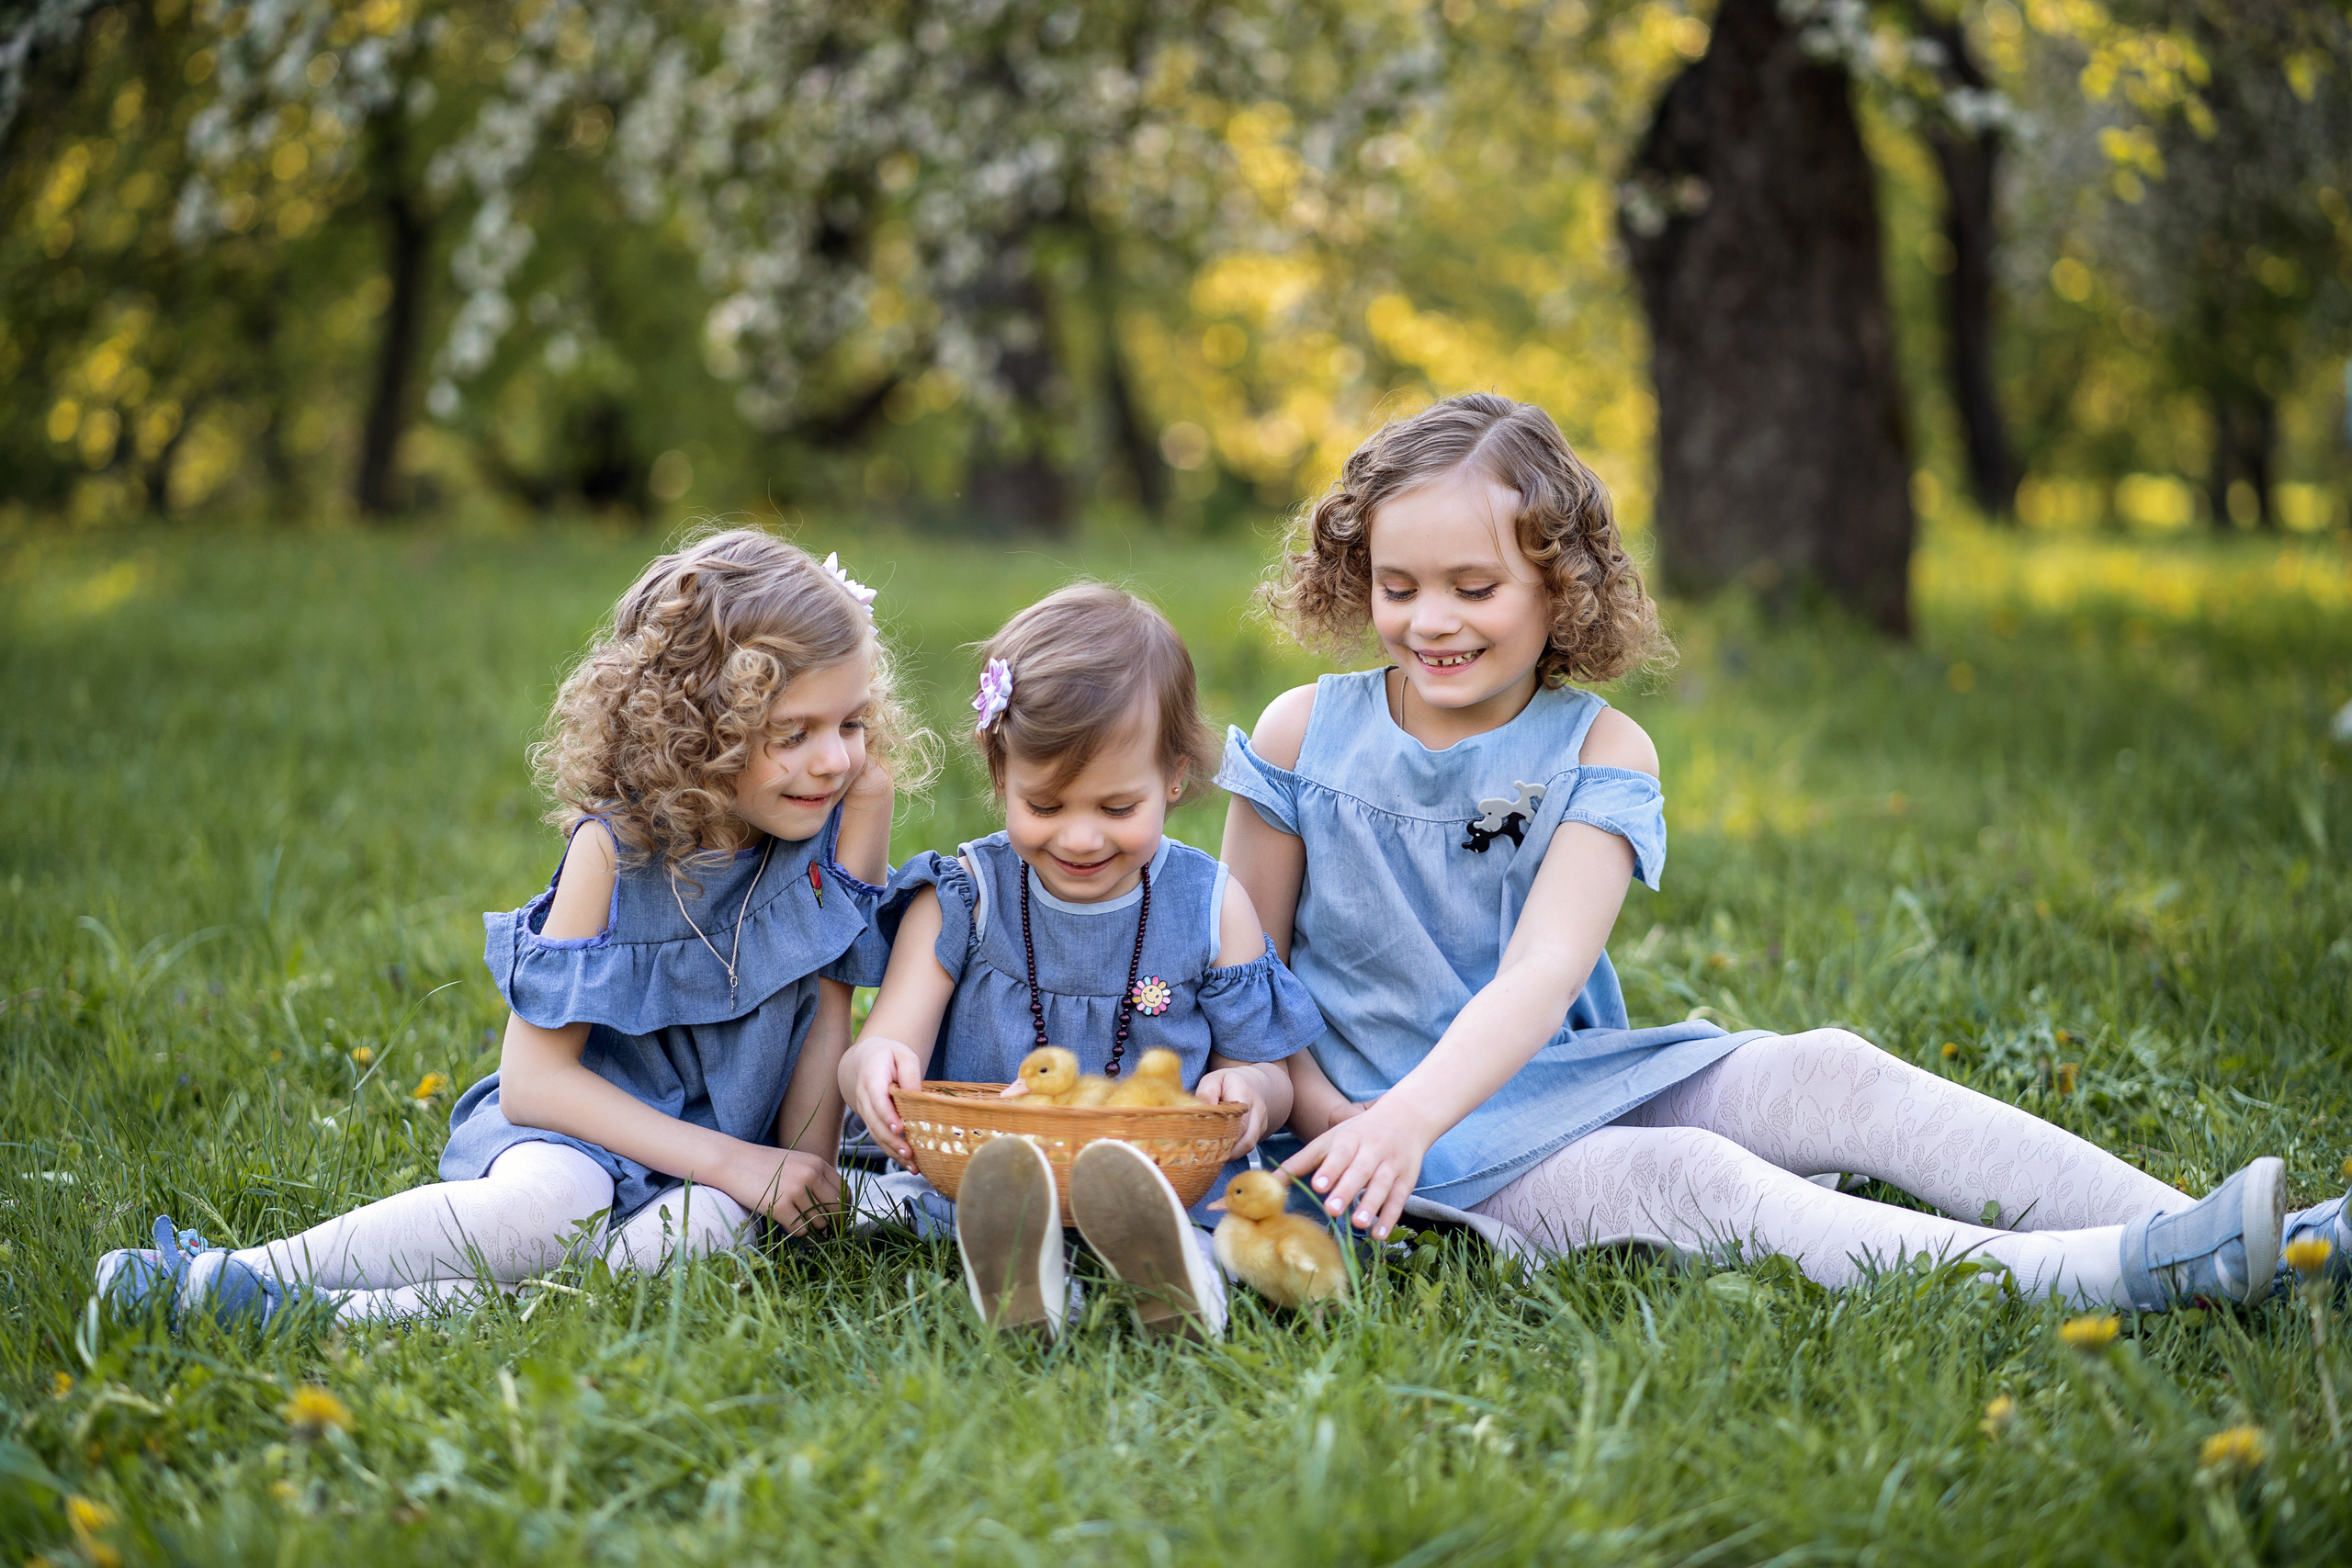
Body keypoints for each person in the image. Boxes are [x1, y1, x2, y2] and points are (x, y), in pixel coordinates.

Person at [1216, 391, 2303, 1311]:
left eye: (1474, 587)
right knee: (1689, 1175)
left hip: (1549, 1076)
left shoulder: (1601, 749)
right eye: (1396, 587)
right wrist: (1331, 1108)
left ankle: (2248, 1237)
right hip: (1385, 1142)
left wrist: (1417, 1107)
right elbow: (1242, 964)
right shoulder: (1302, 733)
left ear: (1561, 583)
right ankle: (2102, 1275)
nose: (1429, 622)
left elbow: (1544, 975)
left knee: (1828, 1067)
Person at [98, 530, 916, 1325]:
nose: (836, 761)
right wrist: (734, 1160)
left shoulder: (834, 825)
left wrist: (793, 1169)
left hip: (724, 1172)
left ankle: (326, 1318)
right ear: (700, 729)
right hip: (587, 1136)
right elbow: (536, 1082)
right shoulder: (614, 849)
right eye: (794, 734)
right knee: (546, 1212)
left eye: (849, 724)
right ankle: (237, 1274)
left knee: (704, 1241)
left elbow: (824, 1034)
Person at [841, 584, 1322, 1339]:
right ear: (1002, 776)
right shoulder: (965, 895)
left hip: (1159, 1174)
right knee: (898, 1200)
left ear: (1172, 778)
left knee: (1212, 1218)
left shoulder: (1209, 905)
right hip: (983, 1165)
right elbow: (884, 1038)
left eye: (1117, 809)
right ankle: (1021, 1272)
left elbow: (1271, 1076)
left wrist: (1249, 1088)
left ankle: (1175, 1277)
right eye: (1046, 805)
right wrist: (873, 1067)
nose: (1081, 838)